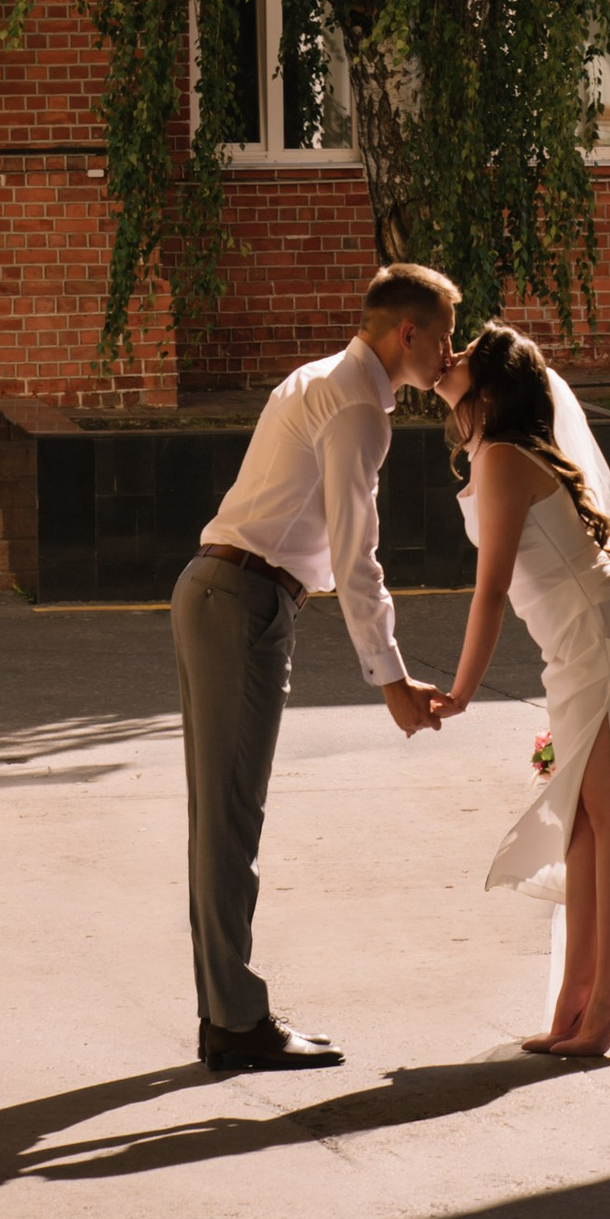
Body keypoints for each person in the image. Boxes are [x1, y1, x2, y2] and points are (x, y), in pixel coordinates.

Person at [171, 262, 460, 1071]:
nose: (449, 353)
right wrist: (393, 682)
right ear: (407, 332)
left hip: (216, 588)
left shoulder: (316, 378)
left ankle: (226, 1012)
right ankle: (234, 1021)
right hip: (242, 601)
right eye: (441, 337)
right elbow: (355, 556)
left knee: (218, 819)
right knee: (230, 820)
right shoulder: (360, 409)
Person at [434, 318, 610, 1060]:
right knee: (581, 823)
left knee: (607, 819)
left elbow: (489, 592)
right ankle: (578, 999)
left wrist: (461, 689)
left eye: (464, 354)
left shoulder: (507, 457)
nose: (448, 359)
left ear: (490, 387)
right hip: (577, 645)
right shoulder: (494, 453)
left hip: (607, 638)